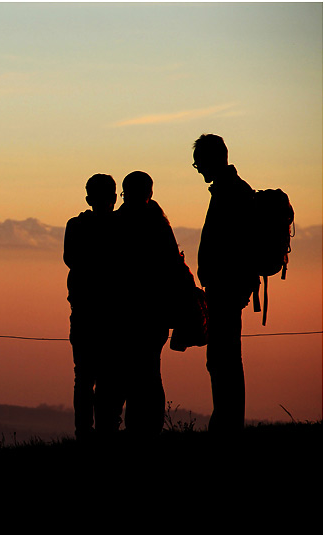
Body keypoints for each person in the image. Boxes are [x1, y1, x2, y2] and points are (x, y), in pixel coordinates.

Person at [193, 134, 257, 433]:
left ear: (214, 159)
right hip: (227, 285)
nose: (198, 169)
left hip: (227, 286)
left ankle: (228, 425)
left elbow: (230, 243)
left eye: (199, 162)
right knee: (224, 356)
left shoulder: (230, 192)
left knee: (223, 358)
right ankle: (228, 422)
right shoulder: (231, 189)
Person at [114, 171, 182, 438]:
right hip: (155, 313)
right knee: (151, 372)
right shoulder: (159, 224)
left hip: (127, 312)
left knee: (131, 373)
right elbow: (172, 266)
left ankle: (135, 428)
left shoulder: (119, 222)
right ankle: (149, 429)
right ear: (150, 193)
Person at [63, 174, 118, 440]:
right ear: (115, 198)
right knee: (109, 375)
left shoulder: (76, 226)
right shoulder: (122, 228)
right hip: (115, 313)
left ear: (88, 198)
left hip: (84, 310)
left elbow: (70, 259)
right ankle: (108, 430)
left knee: (84, 376)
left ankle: (84, 432)